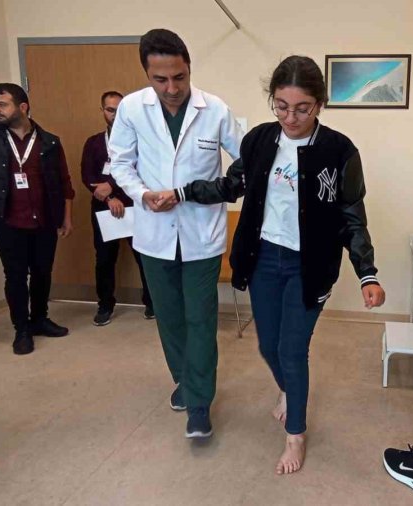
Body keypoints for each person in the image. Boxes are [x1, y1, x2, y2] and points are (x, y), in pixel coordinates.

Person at [175, 55, 386, 474]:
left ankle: (295, 435)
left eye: (302, 108)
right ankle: (289, 390)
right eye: (282, 106)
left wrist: (367, 273)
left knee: (292, 350)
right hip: (264, 259)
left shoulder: (339, 150)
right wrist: (182, 192)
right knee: (267, 345)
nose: (290, 118)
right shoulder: (259, 140)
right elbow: (230, 185)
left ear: (319, 104)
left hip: (311, 265)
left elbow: (351, 215)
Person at [108, 29, 244, 439]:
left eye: (179, 77)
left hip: (202, 233)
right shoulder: (132, 108)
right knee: (169, 318)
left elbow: (246, 157)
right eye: (160, 79)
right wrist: (142, 194)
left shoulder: (214, 109)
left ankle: (199, 403)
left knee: (200, 318)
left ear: (189, 68)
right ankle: (185, 381)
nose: (171, 88)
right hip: (153, 233)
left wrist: (217, 188)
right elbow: (120, 163)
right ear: (146, 74)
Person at [0, 83, 75, 355]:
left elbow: (64, 182)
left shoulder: (49, 141)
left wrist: (66, 217)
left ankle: (40, 319)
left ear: (22, 107)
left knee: (42, 272)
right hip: (9, 219)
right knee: (14, 275)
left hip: (44, 219)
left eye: (2, 104)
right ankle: (21, 329)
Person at [81, 90, 153, 326]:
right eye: (110, 109)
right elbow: (87, 176)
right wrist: (109, 198)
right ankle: (105, 305)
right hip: (104, 209)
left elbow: (140, 170)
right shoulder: (94, 143)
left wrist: (112, 186)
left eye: (119, 109)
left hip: (134, 205)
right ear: (102, 111)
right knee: (104, 259)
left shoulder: (137, 140)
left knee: (144, 256)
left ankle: (151, 302)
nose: (114, 114)